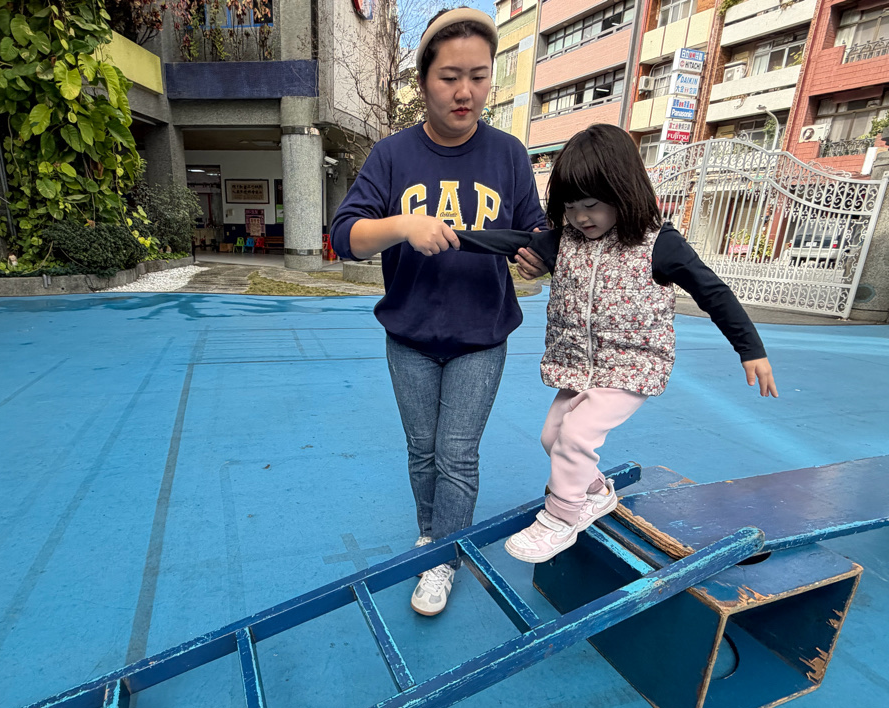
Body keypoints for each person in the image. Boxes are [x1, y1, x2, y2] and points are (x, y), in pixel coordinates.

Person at [453, 124, 778, 564]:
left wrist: (750, 349)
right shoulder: (566, 241)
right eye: (570, 207)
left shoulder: (658, 245)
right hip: (581, 367)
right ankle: (594, 492)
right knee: (553, 437)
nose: (580, 217)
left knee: (575, 436)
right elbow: (514, 242)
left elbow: (713, 292)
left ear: (623, 193)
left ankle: (561, 517)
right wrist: (450, 237)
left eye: (591, 205)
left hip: (631, 366)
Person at [329, 7, 546, 616]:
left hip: (481, 335)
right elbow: (344, 235)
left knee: (456, 453)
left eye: (478, 76)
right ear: (424, 80)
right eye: (450, 77)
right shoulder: (392, 155)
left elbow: (536, 229)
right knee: (422, 451)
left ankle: (443, 556)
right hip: (411, 335)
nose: (465, 91)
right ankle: (432, 537)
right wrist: (403, 225)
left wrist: (537, 255)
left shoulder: (508, 154)